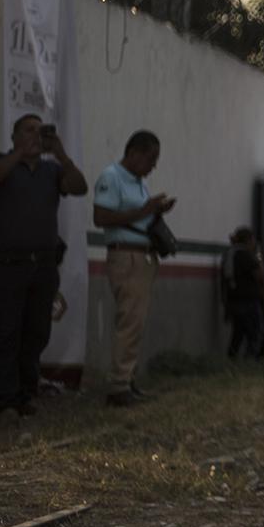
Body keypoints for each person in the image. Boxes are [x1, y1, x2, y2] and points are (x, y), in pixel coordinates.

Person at [0, 113, 88, 416]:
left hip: (43, 267)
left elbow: (79, 187)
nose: (35, 135)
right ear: (14, 136)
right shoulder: (1, 160)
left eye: (40, 131)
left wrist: (61, 153)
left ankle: (25, 394)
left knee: (36, 332)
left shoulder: (52, 170)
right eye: (29, 130)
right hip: (6, 265)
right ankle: (4, 400)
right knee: (5, 332)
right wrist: (18, 154)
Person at [92, 131, 173, 407]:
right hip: (126, 257)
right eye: (151, 159)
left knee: (135, 322)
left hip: (143, 256)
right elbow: (101, 217)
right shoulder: (111, 177)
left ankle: (126, 378)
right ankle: (118, 385)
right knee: (129, 321)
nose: (153, 166)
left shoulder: (139, 183)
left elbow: (138, 217)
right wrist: (143, 211)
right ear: (134, 153)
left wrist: (156, 211)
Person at [220, 227, 264, 360]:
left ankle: (231, 360)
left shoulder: (229, 254)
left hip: (233, 300)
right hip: (248, 301)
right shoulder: (246, 255)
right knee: (255, 334)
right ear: (248, 240)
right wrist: (258, 257)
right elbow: (260, 275)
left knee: (238, 333)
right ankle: (249, 362)